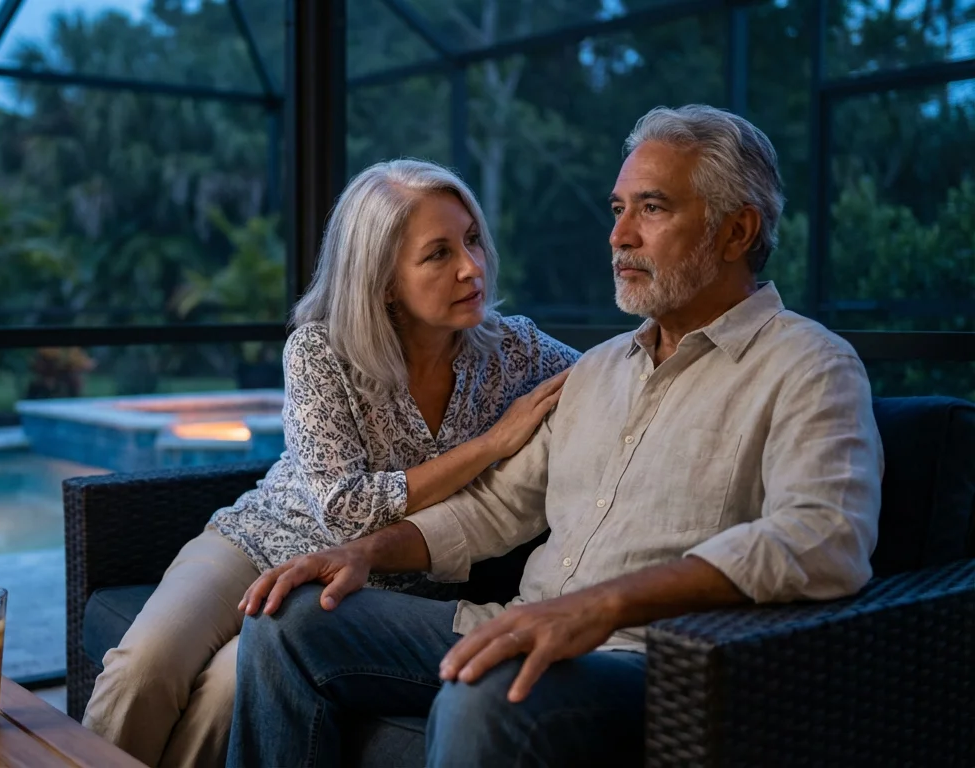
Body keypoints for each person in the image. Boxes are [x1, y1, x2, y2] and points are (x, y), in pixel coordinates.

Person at [230, 105, 884, 767]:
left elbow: (824, 536)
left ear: (737, 230)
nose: (619, 235)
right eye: (618, 207)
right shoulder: (596, 371)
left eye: (651, 209)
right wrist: (369, 552)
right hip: (524, 626)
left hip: (658, 661)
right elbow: (494, 507)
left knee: (488, 689)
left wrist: (601, 606)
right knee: (290, 622)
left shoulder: (810, 366)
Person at [81, 158, 581, 767]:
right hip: (259, 543)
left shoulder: (514, 349)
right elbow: (346, 511)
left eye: (472, 239)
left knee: (224, 692)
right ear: (383, 278)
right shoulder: (321, 349)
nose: (471, 267)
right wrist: (491, 446)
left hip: (363, 588)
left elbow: (615, 371)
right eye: (438, 254)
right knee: (145, 666)